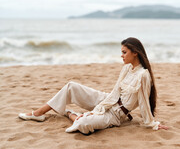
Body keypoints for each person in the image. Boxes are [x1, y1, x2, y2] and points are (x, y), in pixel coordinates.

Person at [19, 37, 168, 134]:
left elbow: (143, 101)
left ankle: (70, 113)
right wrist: (99, 107)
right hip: (107, 99)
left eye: (124, 52)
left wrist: (152, 124)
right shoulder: (127, 68)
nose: (121, 55)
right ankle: (38, 113)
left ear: (135, 53)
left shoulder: (143, 75)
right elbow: (115, 91)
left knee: (83, 124)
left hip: (116, 115)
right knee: (72, 86)